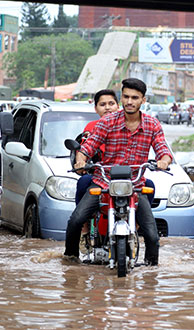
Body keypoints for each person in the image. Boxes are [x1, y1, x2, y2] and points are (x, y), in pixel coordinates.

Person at [64, 78, 172, 265]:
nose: (130, 101)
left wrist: (163, 161)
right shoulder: (108, 122)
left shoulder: (153, 125)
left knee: (153, 237)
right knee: (76, 220)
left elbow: (163, 150)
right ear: (122, 98)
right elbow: (88, 147)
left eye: (135, 98)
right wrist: (81, 161)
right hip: (103, 182)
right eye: (127, 97)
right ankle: (70, 260)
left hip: (135, 185)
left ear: (143, 100)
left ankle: (150, 273)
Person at [74, 90, 155, 205]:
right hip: (101, 175)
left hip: (128, 177)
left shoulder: (129, 124)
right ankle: (84, 222)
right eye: (102, 105)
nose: (107, 108)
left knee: (149, 186)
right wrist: (81, 162)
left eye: (111, 104)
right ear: (96, 109)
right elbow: (85, 149)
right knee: (83, 183)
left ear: (118, 106)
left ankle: (138, 221)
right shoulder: (92, 127)